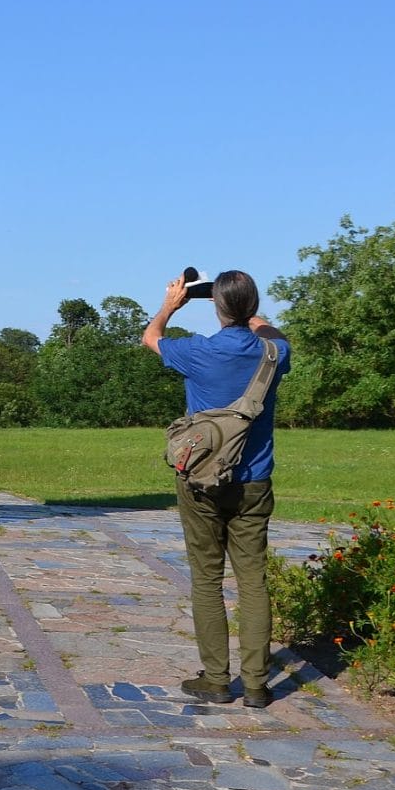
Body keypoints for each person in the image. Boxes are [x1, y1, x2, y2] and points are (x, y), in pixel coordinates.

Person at [141, 270, 291, 708]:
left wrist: (171, 304)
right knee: (253, 581)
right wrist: (249, 314)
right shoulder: (274, 352)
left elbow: (151, 336)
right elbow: (272, 332)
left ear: (218, 308)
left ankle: (216, 679)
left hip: (201, 482)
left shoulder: (199, 352)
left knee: (207, 580)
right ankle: (259, 685)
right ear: (251, 306)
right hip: (255, 481)